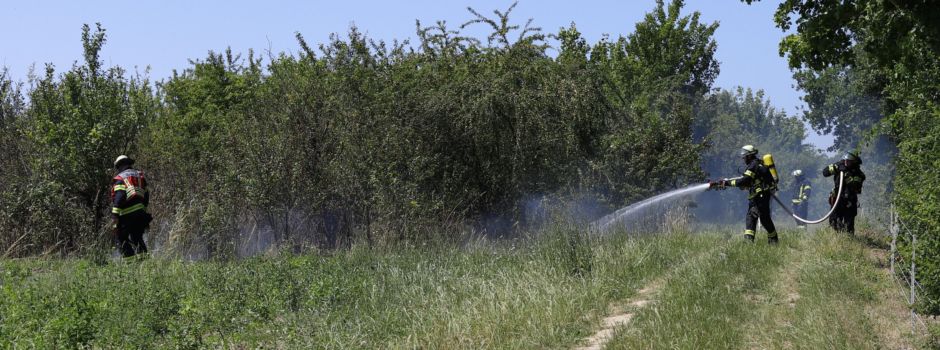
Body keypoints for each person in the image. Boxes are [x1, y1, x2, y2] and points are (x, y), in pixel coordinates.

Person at [710, 145, 779, 244]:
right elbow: (750, 181)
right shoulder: (758, 164)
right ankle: (773, 241)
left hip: (758, 198)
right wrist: (723, 182)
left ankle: (749, 243)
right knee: (764, 219)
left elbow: (744, 181)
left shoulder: (753, 165)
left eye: (744, 157)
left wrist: (727, 183)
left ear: (749, 156)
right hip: (762, 196)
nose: (743, 159)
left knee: (752, 218)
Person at [110, 155, 152, 257]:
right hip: (141, 213)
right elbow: (146, 195)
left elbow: (119, 196)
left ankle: (130, 264)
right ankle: (144, 263)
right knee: (137, 238)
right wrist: (143, 210)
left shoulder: (120, 178)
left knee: (121, 238)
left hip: (126, 214)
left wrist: (115, 215)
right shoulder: (139, 176)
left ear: (119, 166)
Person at [823, 152, 866, 234]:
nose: (846, 162)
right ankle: (837, 238)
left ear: (854, 162)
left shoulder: (858, 173)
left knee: (849, 224)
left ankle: (848, 240)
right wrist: (837, 167)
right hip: (837, 198)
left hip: (850, 200)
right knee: (833, 221)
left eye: (849, 161)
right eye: (845, 160)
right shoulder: (839, 165)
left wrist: (846, 174)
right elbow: (825, 173)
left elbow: (855, 186)